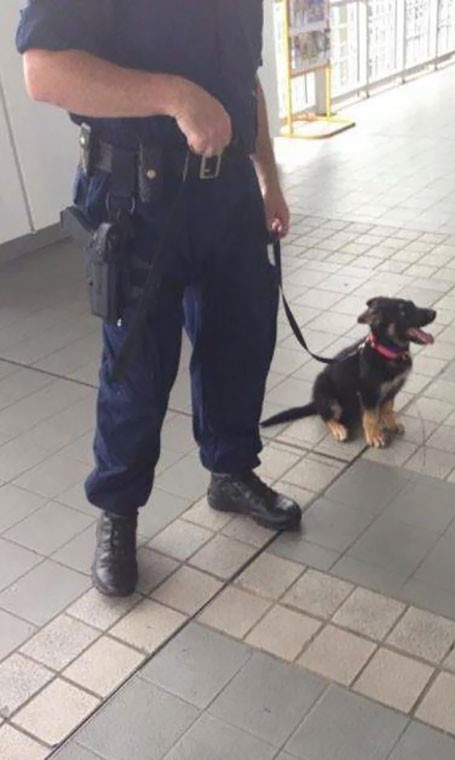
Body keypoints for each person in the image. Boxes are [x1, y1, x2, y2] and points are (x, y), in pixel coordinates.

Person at [16, 0, 302, 598]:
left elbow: (244, 83)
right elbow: (44, 71)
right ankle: (118, 514)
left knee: (241, 340)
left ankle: (230, 470)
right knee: (138, 368)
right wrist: (173, 95)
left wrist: (268, 179)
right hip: (135, 196)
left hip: (226, 193)